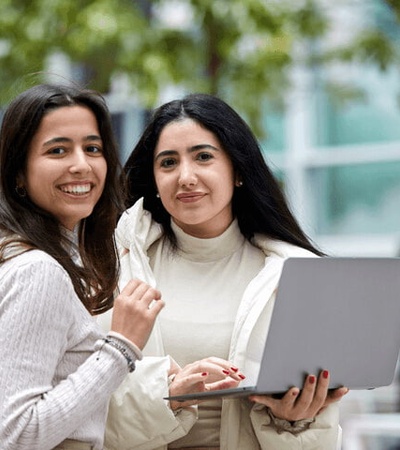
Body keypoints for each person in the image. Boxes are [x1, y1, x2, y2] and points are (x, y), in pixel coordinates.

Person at [101, 93, 348, 450]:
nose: (186, 177)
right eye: (168, 162)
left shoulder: (296, 274)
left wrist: (294, 421)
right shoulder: (114, 268)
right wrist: (170, 394)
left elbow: (322, 431)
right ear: (153, 179)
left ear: (237, 172)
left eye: (203, 157)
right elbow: (87, 410)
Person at [0, 83, 164, 450]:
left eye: (93, 148)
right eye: (58, 150)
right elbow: (15, 434)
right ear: (18, 175)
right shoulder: (36, 272)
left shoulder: (23, 258)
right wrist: (121, 348)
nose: (81, 165)